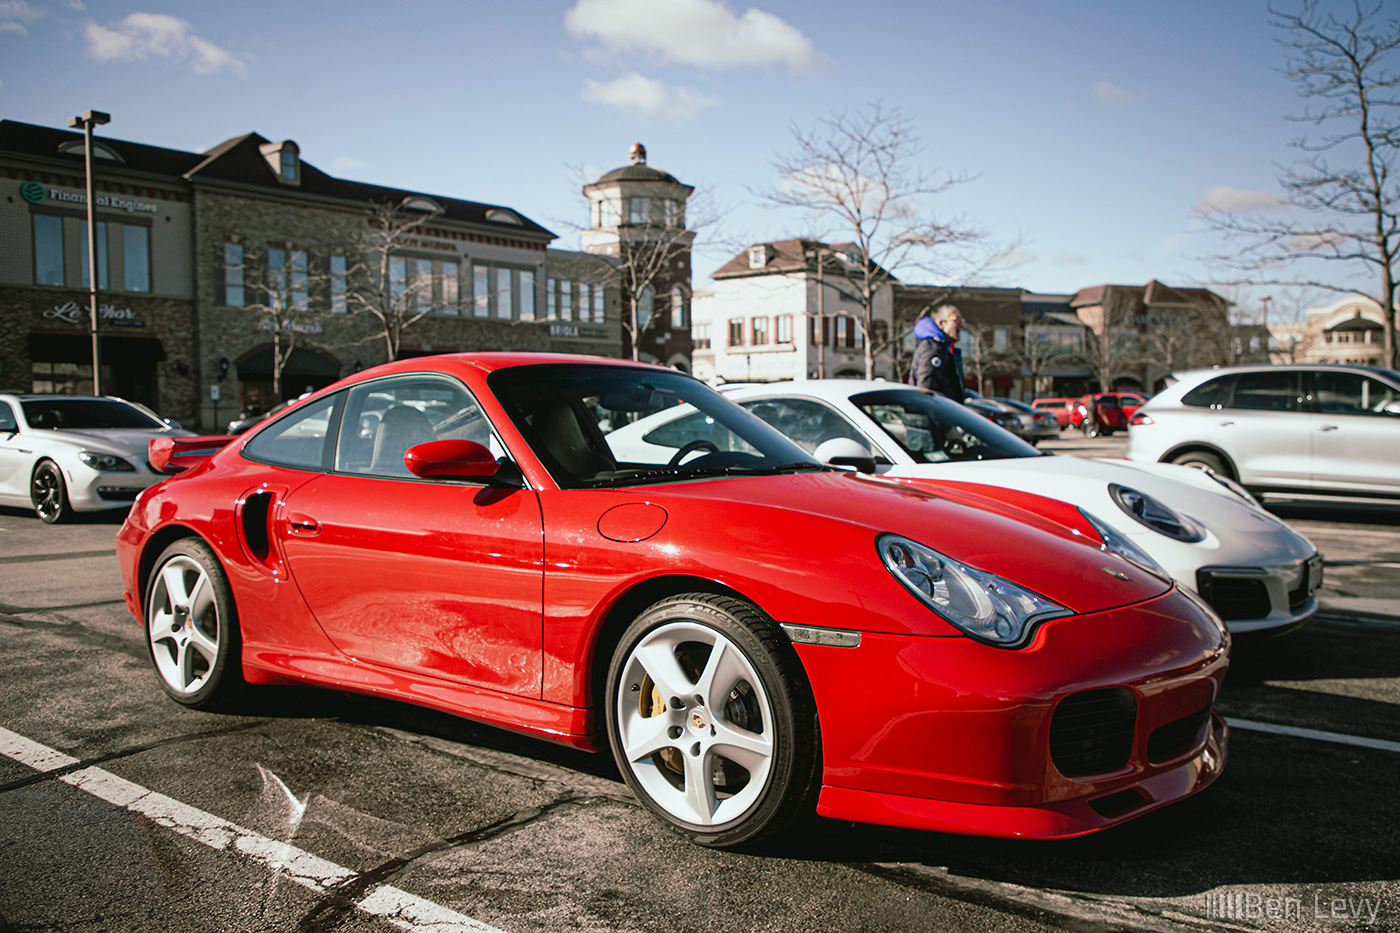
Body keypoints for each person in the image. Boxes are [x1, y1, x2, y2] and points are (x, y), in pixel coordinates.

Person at [910, 304, 965, 402]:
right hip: (936, 415)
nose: (962, 324)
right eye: (956, 319)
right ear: (941, 323)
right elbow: (926, 388)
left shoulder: (943, 348)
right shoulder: (933, 348)